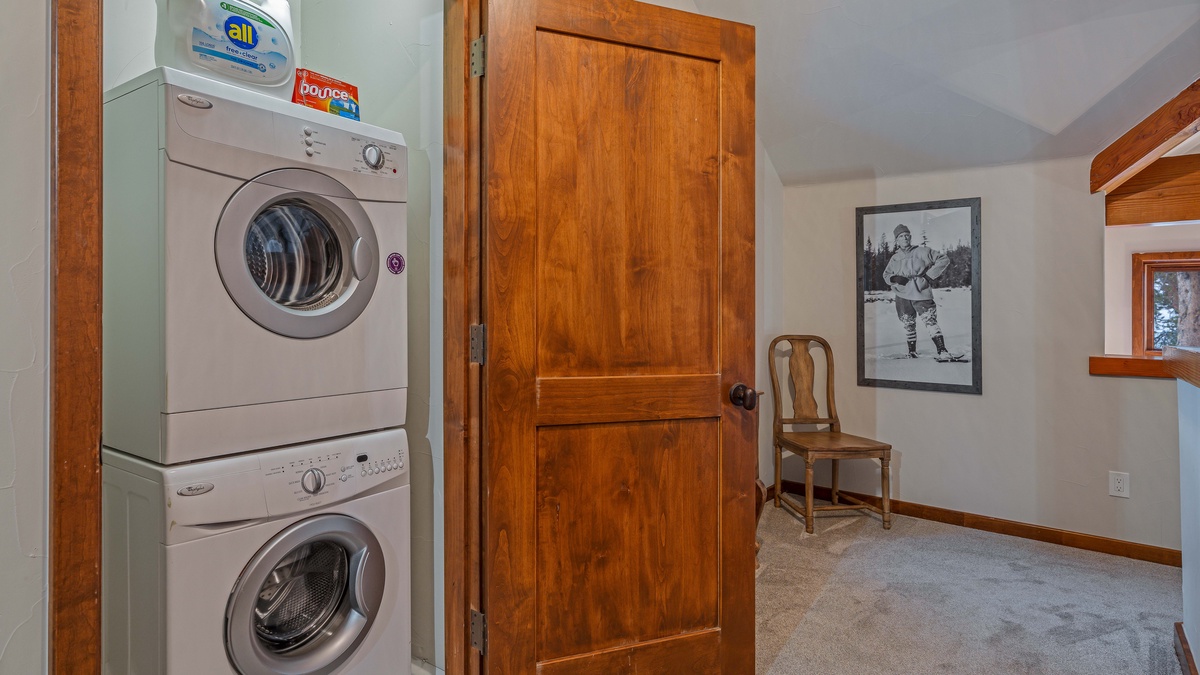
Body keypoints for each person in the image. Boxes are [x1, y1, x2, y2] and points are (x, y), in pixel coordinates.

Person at [882, 224, 955, 359]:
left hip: (920, 291)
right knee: (908, 322)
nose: (905, 238)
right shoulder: (895, 258)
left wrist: (929, 275)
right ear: (897, 240)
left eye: (907, 235)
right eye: (901, 236)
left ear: (910, 237)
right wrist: (894, 278)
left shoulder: (923, 251)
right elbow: (886, 275)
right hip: (902, 293)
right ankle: (912, 352)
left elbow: (944, 259)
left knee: (929, 319)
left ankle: (942, 351)